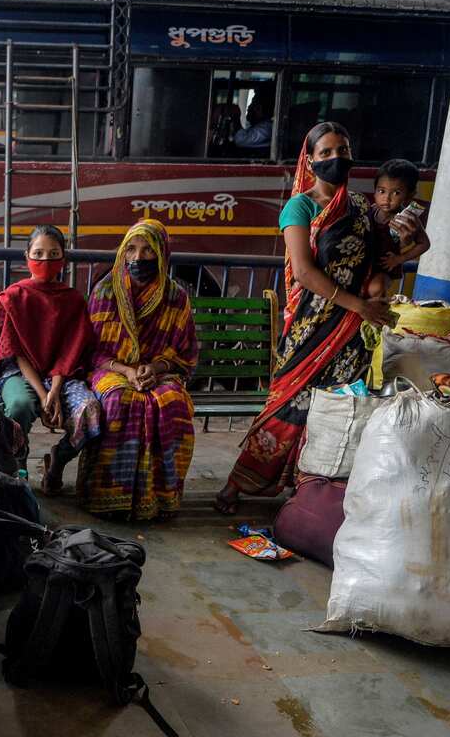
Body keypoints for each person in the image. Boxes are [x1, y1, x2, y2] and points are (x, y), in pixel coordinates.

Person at [216, 122, 394, 514]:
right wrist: (357, 304)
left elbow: (381, 259)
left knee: (335, 412)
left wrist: (386, 277)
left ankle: (308, 493)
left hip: (350, 333)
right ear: (310, 160)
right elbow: (303, 272)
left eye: (342, 150)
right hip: (310, 326)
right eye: (326, 153)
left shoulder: (363, 208)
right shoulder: (300, 206)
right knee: (287, 408)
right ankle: (237, 483)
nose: (336, 159)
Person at [78, 219, 199, 521]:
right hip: (111, 368)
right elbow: (93, 351)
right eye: (131, 249)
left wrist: (155, 368)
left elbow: (185, 351)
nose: (138, 257)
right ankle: (108, 494)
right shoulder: (106, 292)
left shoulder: (176, 297)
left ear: (161, 253)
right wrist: (127, 371)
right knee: (119, 401)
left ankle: (161, 497)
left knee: (172, 403)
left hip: (158, 371)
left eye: (147, 250)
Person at [0, 224, 102, 492]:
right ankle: (17, 465)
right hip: (19, 373)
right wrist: (43, 397)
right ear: (27, 256)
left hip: (63, 376)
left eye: (53, 254)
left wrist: (54, 389)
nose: (45, 260)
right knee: (20, 405)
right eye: (39, 253)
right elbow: (16, 352)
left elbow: (70, 350)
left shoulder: (74, 300)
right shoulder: (13, 297)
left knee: (90, 410)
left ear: (63, 258)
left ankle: (58, 460)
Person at [370, 158, 431, 285]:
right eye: (381, 191)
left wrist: (399, 259)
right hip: (365, 264)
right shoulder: (369, 211)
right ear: (374, 191)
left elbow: (424, 244)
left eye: (396, 193)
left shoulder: (407, 218)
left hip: (385, 267)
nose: (386, 198)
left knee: (376, 289)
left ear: (409, 195)